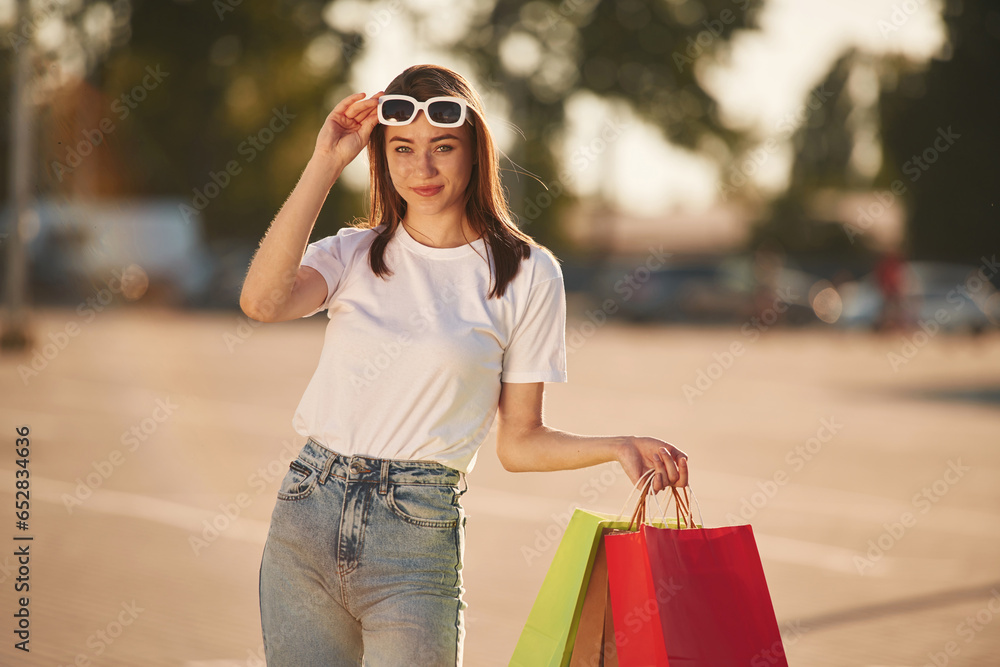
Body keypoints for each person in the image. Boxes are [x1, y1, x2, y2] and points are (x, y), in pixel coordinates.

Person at [240, 64, 690, 667]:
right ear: (381, 155)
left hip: (415, 530)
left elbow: (520, 444)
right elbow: (262, 303)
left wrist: (617, 445)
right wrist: (324, 161)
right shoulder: (353, 252)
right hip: (307, 510)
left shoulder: (527, 273)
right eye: (402, 149)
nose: (421, 170)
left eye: (442, 148)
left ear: (475, 150)